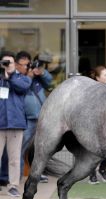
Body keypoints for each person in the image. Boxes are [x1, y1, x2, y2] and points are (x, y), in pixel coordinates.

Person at [16, 51, 53, 183]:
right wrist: (30, 76)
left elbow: (50, 81)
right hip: (26, 119)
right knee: (20, 148)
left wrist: (41, 72)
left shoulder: (38, 78)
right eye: (25, 65)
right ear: (17, 65)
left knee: (40, 149)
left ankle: (37, 173)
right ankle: (17, 176)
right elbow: (22, 88)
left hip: (41, 119)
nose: (27, 67)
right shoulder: (17, 78)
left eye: (28, 64)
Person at [0, 51, 32, 197]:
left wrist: (11, 75)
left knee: (14, 158)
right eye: (5, 62)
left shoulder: (22, 78)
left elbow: (22, 88)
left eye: (10, 62)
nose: (7, 65)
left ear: (15, 64)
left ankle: (13, 185)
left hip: (16, 123)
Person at [88, 66, 106, 184]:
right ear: (98, 78)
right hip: (94, 124)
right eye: (105, 75)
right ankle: (92, 173)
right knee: (94, 150)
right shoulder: (92, 90)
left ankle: (103, 169)